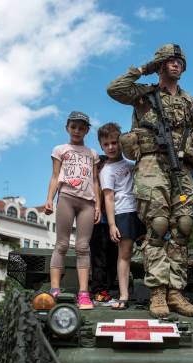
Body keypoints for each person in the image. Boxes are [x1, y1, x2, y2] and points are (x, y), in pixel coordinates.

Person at [107, 44, 193, 318]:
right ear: (161, 64)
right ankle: (157, 292)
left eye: (180, 62)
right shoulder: (145, 94)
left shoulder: (192, 103)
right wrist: (144, 69)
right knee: (158, 225)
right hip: (152, 164)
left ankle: (176, 292)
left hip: (185, 170)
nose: (176, 65)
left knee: (183, 227)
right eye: (170, 61)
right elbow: (114, 89)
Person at [44, 111, 100, 309]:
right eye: (73, 126)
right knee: (62, 244)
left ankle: (84, 293)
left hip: (87, 202)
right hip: (66, 198)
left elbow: (95, 180)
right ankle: (54, 289)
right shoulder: (60, 149)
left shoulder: (92, 153)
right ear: (67, 127)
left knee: (83, 247)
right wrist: (49, 198)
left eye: (81, 127)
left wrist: (98, 205)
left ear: (87, 130)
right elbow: (54, 175)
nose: (77, 130)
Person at [98, 122, 146, 310]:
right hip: (123, 213)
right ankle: (124, 295)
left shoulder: (133, 164)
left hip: (141, 211)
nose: (111, 147)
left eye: (114, 142)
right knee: (124, 254)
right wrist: (111, 224)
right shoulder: (106, 171)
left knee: (151, 251)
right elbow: (108, 198)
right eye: (106, 144)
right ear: (101, 146)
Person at [89, 154, 119, 305]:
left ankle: (107, 290)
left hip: (113, 225)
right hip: (98, 225)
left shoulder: (112, 179)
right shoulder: (94, 183)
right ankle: (98, 292)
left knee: (113, 259)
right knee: (99, 260)